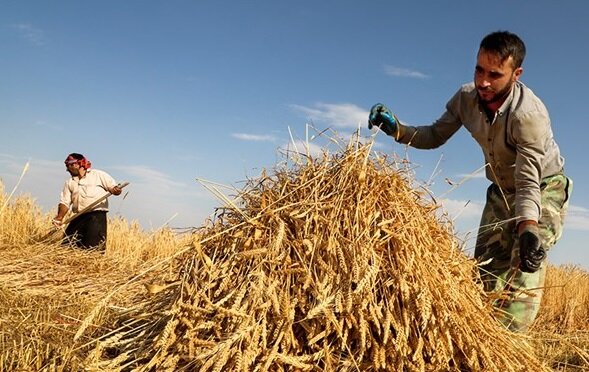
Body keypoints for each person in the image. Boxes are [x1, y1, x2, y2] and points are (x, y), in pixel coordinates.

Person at [368, 31, 572, 332]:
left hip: (543, 188)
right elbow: (434, 135)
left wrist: (528, 228)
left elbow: (529, 180)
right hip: (501, 190)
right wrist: (397, 130)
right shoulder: (465, 99)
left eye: (495, 74)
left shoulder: (529, 115)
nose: (483, 82)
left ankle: (507, 350)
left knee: (524, 263)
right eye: (479, 70)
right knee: (484, 274)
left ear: (516, 74)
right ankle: (480, 338)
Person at [53, 153, 122, 251]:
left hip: (96, 217)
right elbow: (65, 202)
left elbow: (114, 189)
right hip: (77, 217)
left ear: (78, 164)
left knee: (93, 249)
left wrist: (116, 190)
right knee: (66, 246)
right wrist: (59, 218)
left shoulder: (98, 175)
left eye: (69, 166)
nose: (67, 169)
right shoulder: (69, 182)